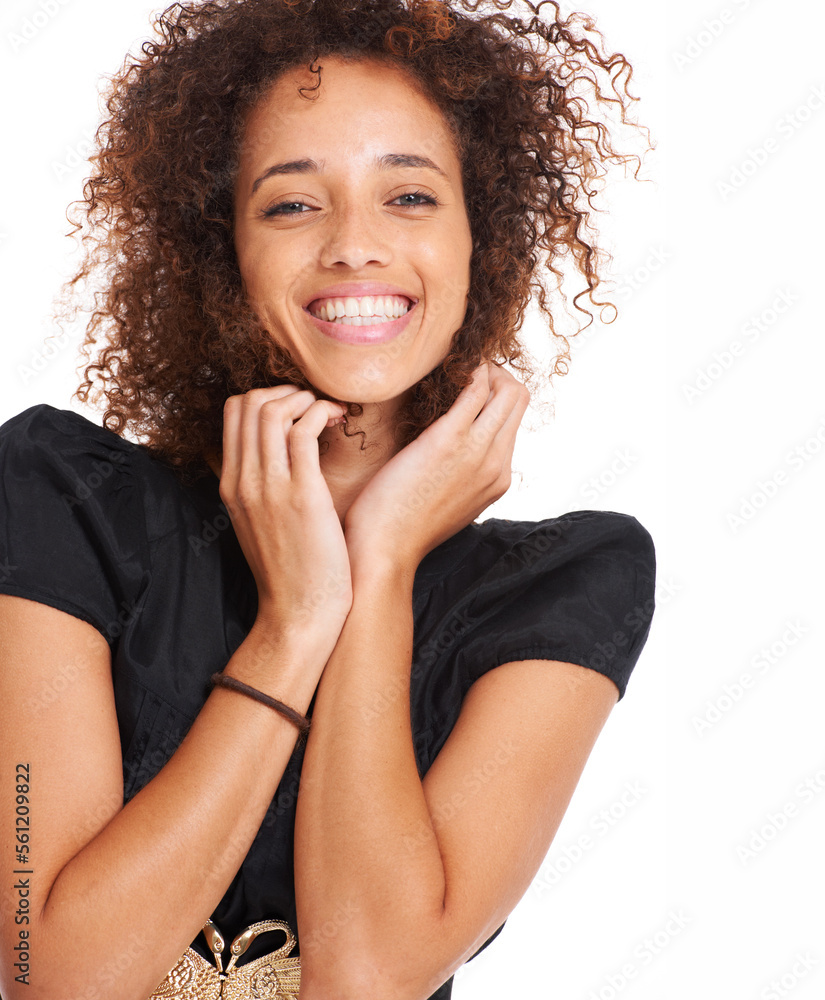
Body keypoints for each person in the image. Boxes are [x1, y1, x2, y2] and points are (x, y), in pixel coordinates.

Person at [0, 1, 656, 998]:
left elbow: (369, 975)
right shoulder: (62, 498)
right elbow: (50, 971)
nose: (355, 244)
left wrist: (380, 565)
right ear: (221, 251)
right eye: (293, 204)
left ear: (484, 240)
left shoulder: (566, 584)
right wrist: (295, 621)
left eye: (410, 197)